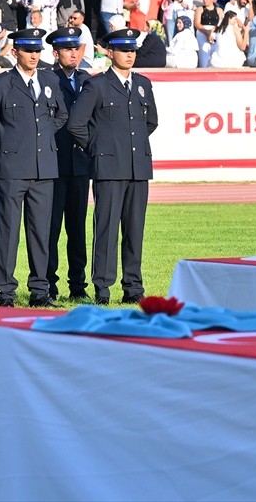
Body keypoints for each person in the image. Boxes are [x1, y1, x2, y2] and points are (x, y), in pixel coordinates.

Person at [0, 28, 68, 307]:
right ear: (15, 52)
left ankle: (40, 290)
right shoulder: (3, 83)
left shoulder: (50, 80)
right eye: (29, 51)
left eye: (38, 50)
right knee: (7, 232)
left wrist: (38, 139)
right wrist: (10, 147)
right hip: (12, 168)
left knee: (41, 233)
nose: (34, 55)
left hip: (44, 169)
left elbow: (61, 115)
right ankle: (6, 291)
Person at [66, 28, 157, 305]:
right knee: (106, 231)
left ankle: (133, 288)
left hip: (137, 168)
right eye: (123, 49)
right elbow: (76, 125)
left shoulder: (143, 83)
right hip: (108, 169)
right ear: (110, 52)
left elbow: (150, 122)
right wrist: (98, 149)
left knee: (134, 231)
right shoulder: (97, 85)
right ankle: (103, 289)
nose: (129, 54)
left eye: (132, 50)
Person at [46, 26, 91, 301]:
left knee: (77, 229)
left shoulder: (87, 80)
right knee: (49, 229)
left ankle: (78, 286)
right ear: (56, 53)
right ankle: (48, 285)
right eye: (67, 49)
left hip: (80, 165)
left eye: (75, 48)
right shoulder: (47, 79)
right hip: (53, 163)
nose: (73, 53)